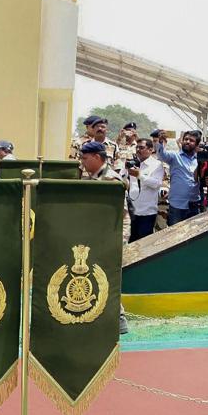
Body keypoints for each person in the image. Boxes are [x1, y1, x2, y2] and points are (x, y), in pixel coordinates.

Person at [78, 141, 131, 334]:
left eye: (85, 158)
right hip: (99, 232)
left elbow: (113, 213)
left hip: (113, 232)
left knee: (109, 273)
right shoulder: (92, 177)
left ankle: (119, 319)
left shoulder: (110, 179)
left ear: (97, 157)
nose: (82, 162)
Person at [157, 130, 203, 225]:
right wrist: (161, 142)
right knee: (175, 236)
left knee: (193, 234)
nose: (187, 142)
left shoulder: (200, 159)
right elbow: (162, 155)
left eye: (191, 140)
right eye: (186, 139)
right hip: (177, 205)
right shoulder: (174, 156)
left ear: (197, 144)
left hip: (194, 203)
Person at [125, 138, 165, 242]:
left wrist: (140, 175)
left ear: (151, 149)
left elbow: (156, 183)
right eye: (137, 147)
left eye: (142, 147)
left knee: (144, 243)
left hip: (147, 212)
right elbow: (122, 179)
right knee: (131, 243)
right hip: (131, 211)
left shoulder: (156, 165)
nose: (138, 150)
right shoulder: (132, 163)